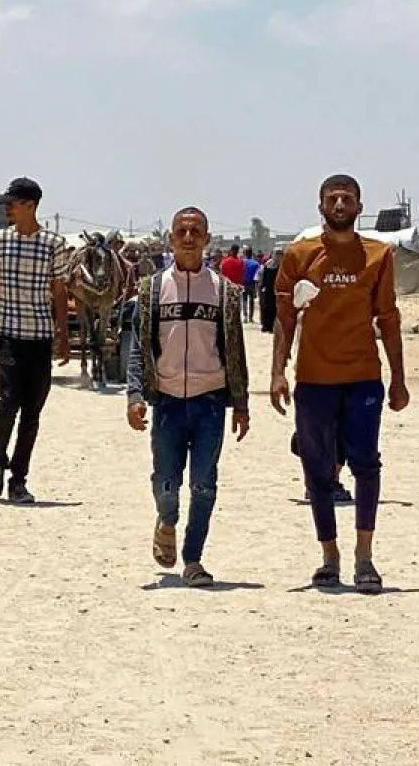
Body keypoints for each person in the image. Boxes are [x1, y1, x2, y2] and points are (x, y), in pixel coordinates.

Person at [271, 174, 409, 593]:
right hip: (314, 379)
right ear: (320, 207)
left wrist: (399, 379)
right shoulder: (299, 255)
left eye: (347, 199)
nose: (339, 204)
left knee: (366, 465)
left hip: (363, 378)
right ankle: (329, 558)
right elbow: (285, 318)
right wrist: (277, 372)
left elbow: (388, 318)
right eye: (332, 199)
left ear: (359, 207)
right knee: (317, 471)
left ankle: (364, 557)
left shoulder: (379, 254)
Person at [126, 208, 250, 588]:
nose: (189, 238)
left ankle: (193, 559)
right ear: (171, 238)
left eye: (196, 231)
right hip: (166, 402)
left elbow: (236, 350)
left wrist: (241, 403)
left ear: (207, 238)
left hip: (209, 401)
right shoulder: (150, 291)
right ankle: (167, 521)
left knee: (203, 484)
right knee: (166, 481)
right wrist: (134, 395)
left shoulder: (225, 292)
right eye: (182, 231)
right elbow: (138, 349)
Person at [0, 177, 71, 504]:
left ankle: (18, 479)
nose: (8, 209)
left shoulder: (53, 244)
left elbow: (59, 290)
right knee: (8, 401)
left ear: (30, 205)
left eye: (12, 204)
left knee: (32, 412)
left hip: (40, 337)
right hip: (9, 335)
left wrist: (62, 333)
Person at [258, 247, 282, 334]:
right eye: (277, 254)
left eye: (280, 254)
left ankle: (273, 327)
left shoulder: (282, 265)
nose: (278, 256)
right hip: (268, 289)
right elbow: (263, 276)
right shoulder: (268, 264)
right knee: (266, 307)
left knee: (275, 308)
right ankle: (266, 326)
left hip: (277, 289)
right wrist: (262, 286)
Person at [242, 249, 261, 323]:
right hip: (252, 284)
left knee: (244, 300)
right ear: (251, 254)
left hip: (243, 284)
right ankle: (250, 317)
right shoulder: (256, 263)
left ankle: (245, 317)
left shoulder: (242, 262)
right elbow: (258, 275)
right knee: (251, 301)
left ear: (245, 254)